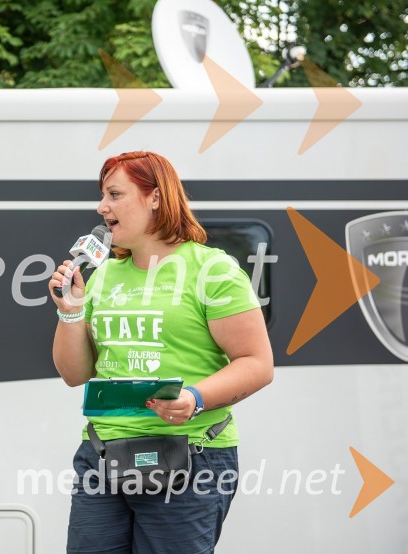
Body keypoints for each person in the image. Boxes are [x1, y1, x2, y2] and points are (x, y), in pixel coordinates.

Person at [48, 151, 273, 553]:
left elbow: (257, 363)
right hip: (103, 453)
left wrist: (194, 398)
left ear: (155, 198)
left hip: (191, 455)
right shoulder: (103, 276)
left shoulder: (212, 270)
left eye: (115, 194)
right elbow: (74, 373)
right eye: (102, 196)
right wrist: (70, 312)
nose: (102, 207)